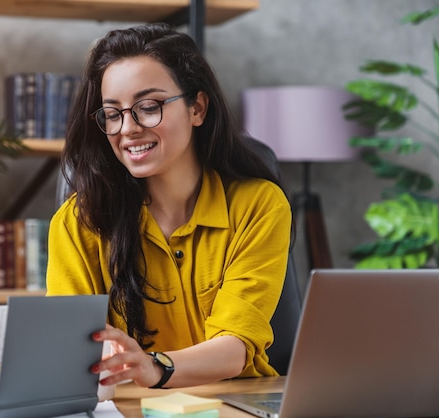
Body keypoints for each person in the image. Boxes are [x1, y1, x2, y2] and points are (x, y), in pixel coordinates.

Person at [44, 22, 292, 390]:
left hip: (234, 403)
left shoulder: (258, 205)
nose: (127, 128)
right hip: (127, 409)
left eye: (148, 107)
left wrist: (154, 367)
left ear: (197, 108)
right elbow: (67, 343)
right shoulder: (80, 219)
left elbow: (236, 345)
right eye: (113, 113)